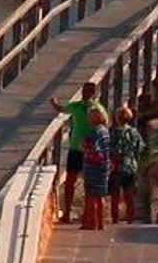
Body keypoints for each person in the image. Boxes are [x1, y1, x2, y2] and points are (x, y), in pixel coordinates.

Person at [49, 81, 107, 224]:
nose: (85, 94)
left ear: (93, 93)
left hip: (90, 151)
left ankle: (90, 217)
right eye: (84, 91)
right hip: (75, 149)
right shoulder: (77, 106)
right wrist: (54, 103)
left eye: (88, 91)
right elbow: (62, 109)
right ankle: (67, 213)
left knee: (90, 184)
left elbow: (104, 122)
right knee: (70, 181)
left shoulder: (97, 108)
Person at [109, 105, 144, 225]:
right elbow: (141, 147)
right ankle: (130, 219)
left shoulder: (116, 132)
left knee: (115, 195)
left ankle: (115, 220)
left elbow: (113, 149)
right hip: (131, 166)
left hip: (118, 166)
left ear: (117, 118)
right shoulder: (134, 132)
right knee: (129, 195)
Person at [80, 106, 112, 230]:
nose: (88, 118)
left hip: (92, 166)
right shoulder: (105, 131)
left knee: (90, 195)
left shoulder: (95, 132)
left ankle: (91, 222)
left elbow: (93, 149)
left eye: (90, 116)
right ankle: (101, 223)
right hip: (104, 166)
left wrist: (84, 145)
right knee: (100, 195)